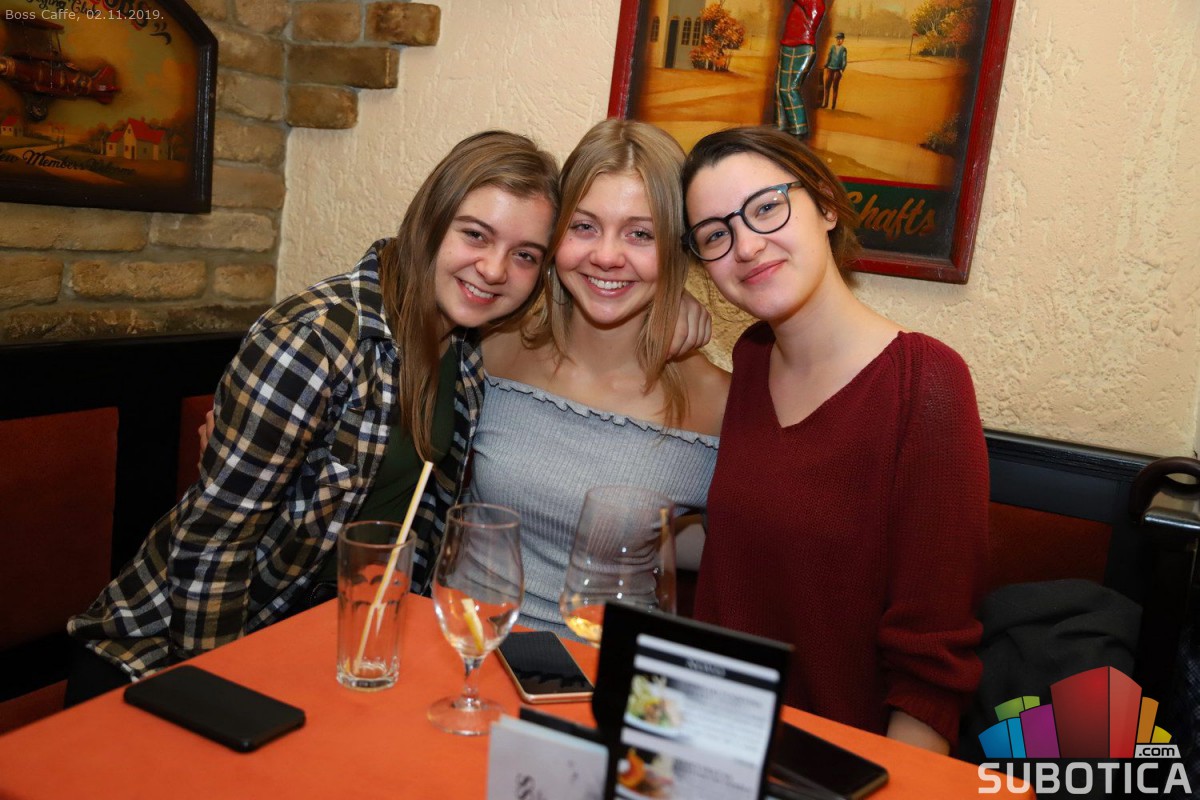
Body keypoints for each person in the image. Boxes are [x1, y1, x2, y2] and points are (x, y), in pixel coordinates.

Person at [65, 131, 561, 703]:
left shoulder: (465, 355)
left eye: (525, 255)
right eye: (475, 234)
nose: (495, 269)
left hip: (323, 647)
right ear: (430, 220)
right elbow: (212, 544)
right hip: (168, 655)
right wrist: (218, 694)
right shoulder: (316, 338)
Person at [680, 125, 988, 753]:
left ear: (824, 204)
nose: (746, 246)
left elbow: (932, 668)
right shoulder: (751, 360)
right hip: (707, 738)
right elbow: (751, 551)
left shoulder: (925, 382)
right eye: (715, 235)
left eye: (766, 207)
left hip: (839, 765)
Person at [468, 119, 730, 637]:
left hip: (600, 669)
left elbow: (740, 553)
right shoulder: (489, 349)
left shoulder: (720, 405)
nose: (607, 256)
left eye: (641, 234)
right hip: (465, 652)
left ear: (677, 247)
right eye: (584, 227)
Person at [775, 0, 826, 138]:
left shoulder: (815, 2)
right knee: (780, 88)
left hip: (799, 46)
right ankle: (781, 126)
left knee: (788, 89)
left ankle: (798, 129)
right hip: (791, 44)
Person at [821, 32, 847, 110]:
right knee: (827, 86)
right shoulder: (832, 47)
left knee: (835, 87)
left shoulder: (843, 49)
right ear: (836, 39)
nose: (839, 40)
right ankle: (825, 104)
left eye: (841, 39)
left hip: (837, 70)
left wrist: (842, 69)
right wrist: (825, 65)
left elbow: (844, 61)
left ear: (843, 40)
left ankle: (833, 106)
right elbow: (829, 57)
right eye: (838, 39)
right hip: (830, 69)